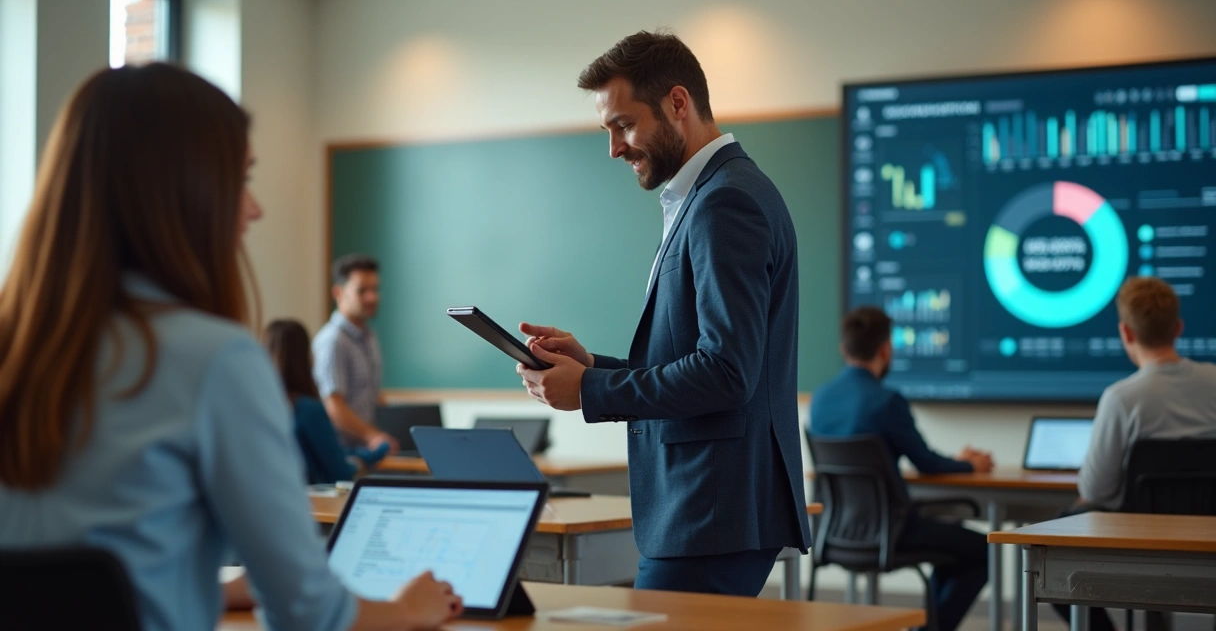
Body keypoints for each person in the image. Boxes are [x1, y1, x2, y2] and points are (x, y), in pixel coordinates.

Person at [0, 64, 460, 631]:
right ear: (180, 194)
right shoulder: (215, 360)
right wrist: (408, 608)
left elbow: (70, 585)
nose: (254, 208)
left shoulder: (16, 349)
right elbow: (308, 615)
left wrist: (207, 588)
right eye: (241, 180)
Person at [515, 31, 810, 597]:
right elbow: (692, 358)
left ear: (678, 103)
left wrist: (592, 390)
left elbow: (726, 372)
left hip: (711, 509)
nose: (614, 149)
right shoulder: (706, 195)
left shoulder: (726, 201)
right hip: (707, 508)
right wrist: (591, 366)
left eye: (624, 125)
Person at [810, 306, 991, 631]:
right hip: (891, 533)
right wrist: (969, 464)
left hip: (834, 533)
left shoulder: (820, 399)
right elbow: (927, 463)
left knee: (953, 550)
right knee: (983, 550)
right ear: (885, 350)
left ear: (844, 349)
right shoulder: (887, 401)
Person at [1054, 276, 1216, 631]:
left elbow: (1095, 491)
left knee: (1059, 537)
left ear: (1125, 332)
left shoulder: (1122, 398)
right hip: (1209, 543)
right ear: (1178, 328)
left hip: (1139, 547)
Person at [264, 319, 390, 484]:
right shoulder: (308, 410)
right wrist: (379, 450)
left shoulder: (264, 408)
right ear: (305, 356)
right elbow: (341, 471)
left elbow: (333, 453)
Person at [312, 254, 397, 452]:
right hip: (342, 454)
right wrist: (372, 435)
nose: (372, 297)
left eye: (375, 289)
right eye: (362, 290)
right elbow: (333, 405)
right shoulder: (333, 341)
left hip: (368, 452)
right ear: (338, 293)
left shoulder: (369, 338)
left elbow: (371, 395)